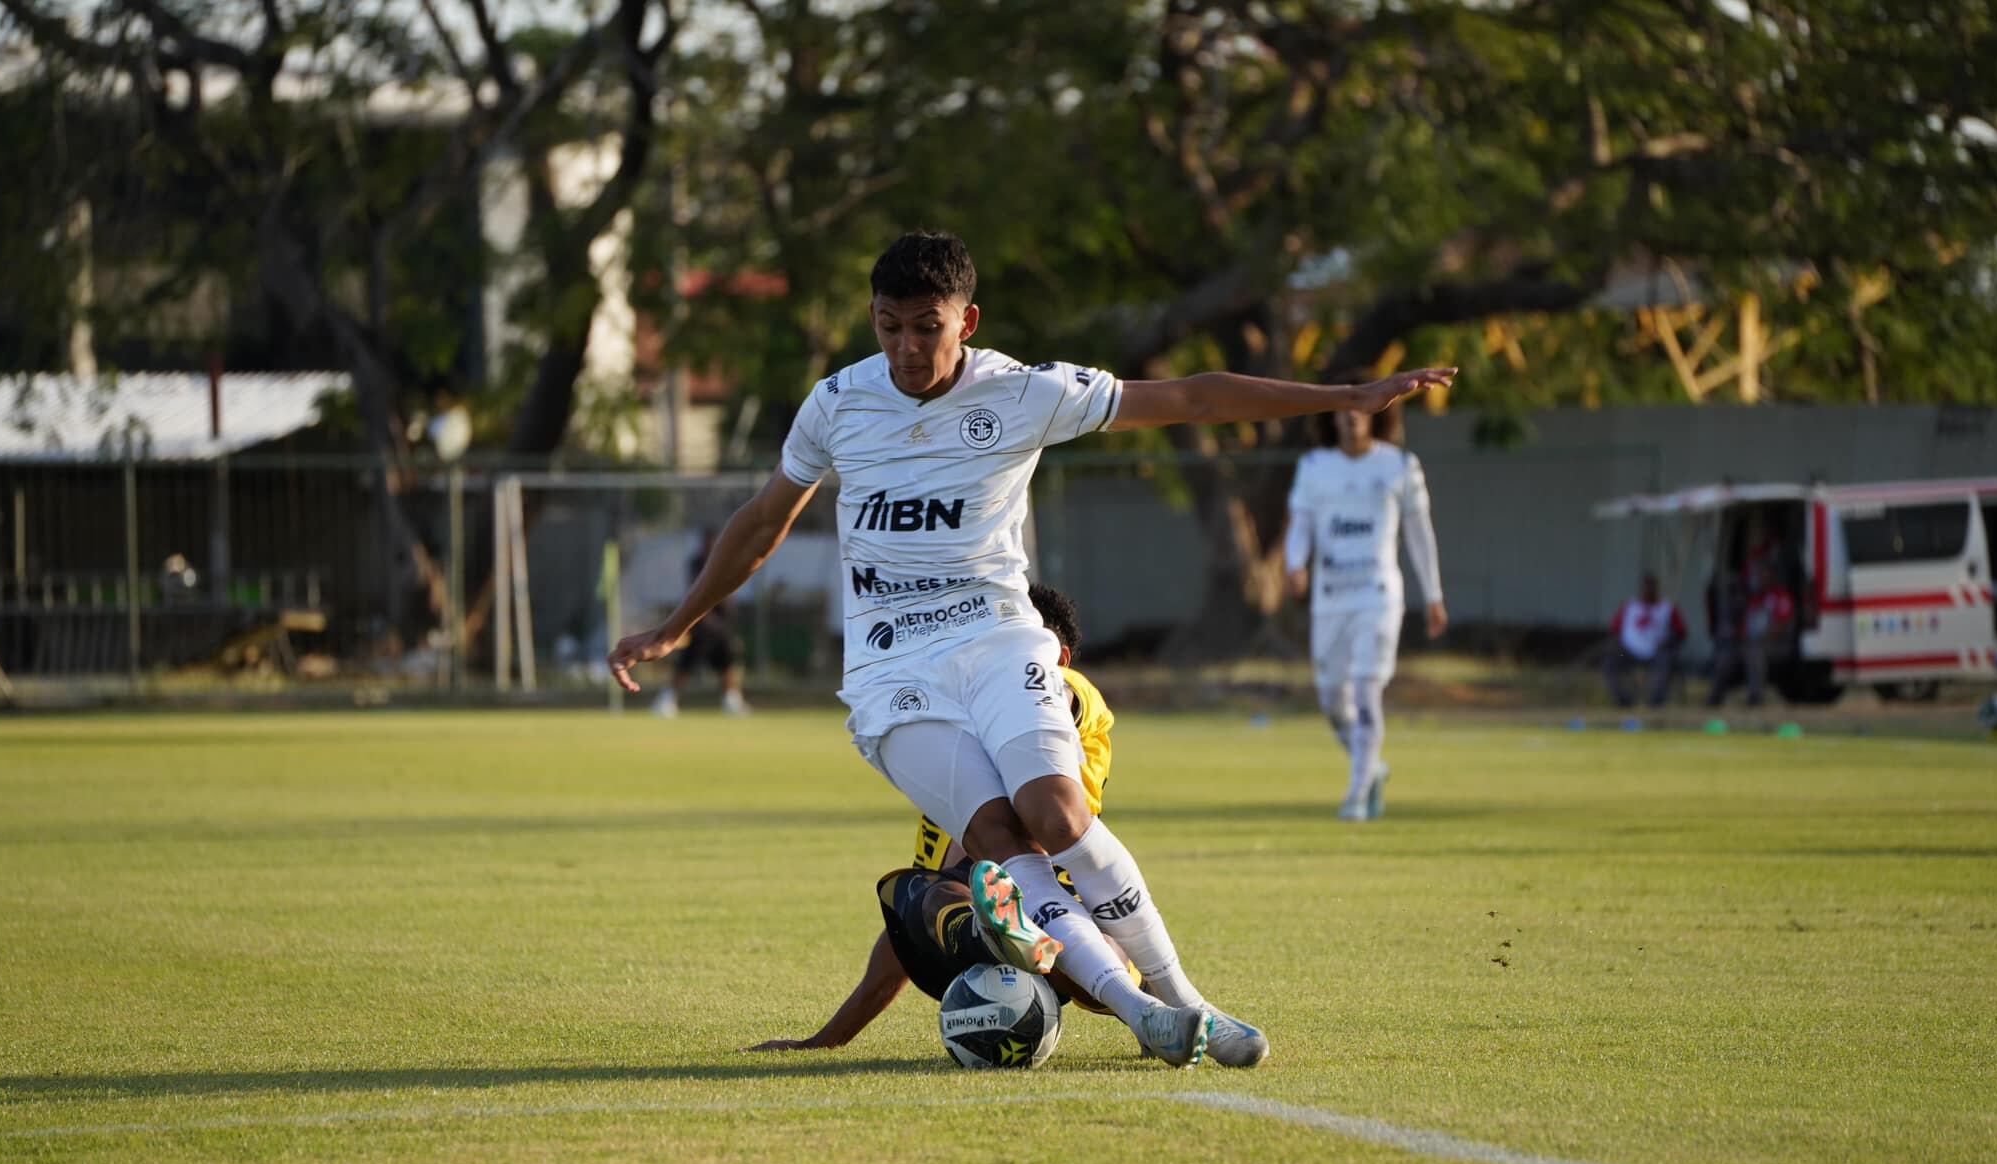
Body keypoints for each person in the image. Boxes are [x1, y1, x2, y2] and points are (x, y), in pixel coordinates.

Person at [610, 230, 1454, 1067]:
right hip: (891, 670)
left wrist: (1349, 394)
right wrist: (677, 625)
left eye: (926, 326)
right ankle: (1140, 1013)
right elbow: (764, 522)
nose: (906, 347)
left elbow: (1194, 399)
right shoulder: (836, 403)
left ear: (967, 320)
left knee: (1054, 814)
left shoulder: (1025, 392)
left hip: (996, 637)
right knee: (995, 838)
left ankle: (1188, 1001)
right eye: (888, 325)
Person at [750, 583, 1158, 1055]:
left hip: (1067, 886)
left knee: (1072, 947)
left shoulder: (1068, 693)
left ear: (1058, 657)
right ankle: (1003, 933)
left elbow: (1059, 697)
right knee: (921, 896)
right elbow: (900, 948)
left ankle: (1140, 996)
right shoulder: (954, 750)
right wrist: (822, 1042)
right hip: (988, 898)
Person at [1281, 383, 1447, 822]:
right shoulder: (1315, 467)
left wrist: (1434, 595)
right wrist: (1296, 564)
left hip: (1378, 595)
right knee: (1334, 701)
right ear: (1333, 416)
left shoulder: (1399, 466)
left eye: (1359, 407)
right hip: (1330, 598)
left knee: (1367, 690)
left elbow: (1419, 532)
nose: (1351, 416)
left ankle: (1357, 794)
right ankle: (1371, 766)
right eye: (1343, 408)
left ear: (1376, 414)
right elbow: (1300, 523)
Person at [651, 528, 751, 717]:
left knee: (727, 663)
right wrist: (706, 619)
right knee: (686, 664)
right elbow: (696, 594)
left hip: (721, 627)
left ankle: (731, 700)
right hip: (700, 627)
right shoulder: (696, 564)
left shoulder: (726, 560)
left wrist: (727, 615)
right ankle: (666, 699)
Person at [1604, 572, 1688, 707]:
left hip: (1657, 651)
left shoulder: (1667, 608)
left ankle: (1655, 701)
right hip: (1629, 651)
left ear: (1657, 588)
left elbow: (1681, 633)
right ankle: (1623, 700)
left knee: (1667, 660)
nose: (1649, 590)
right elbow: (1614, 631)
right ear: (1641, 588)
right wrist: (1617, 645)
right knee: (1611, 661)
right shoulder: (1629, 607)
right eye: (1646, 587)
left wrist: (1669, 642)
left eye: (1652, 587)